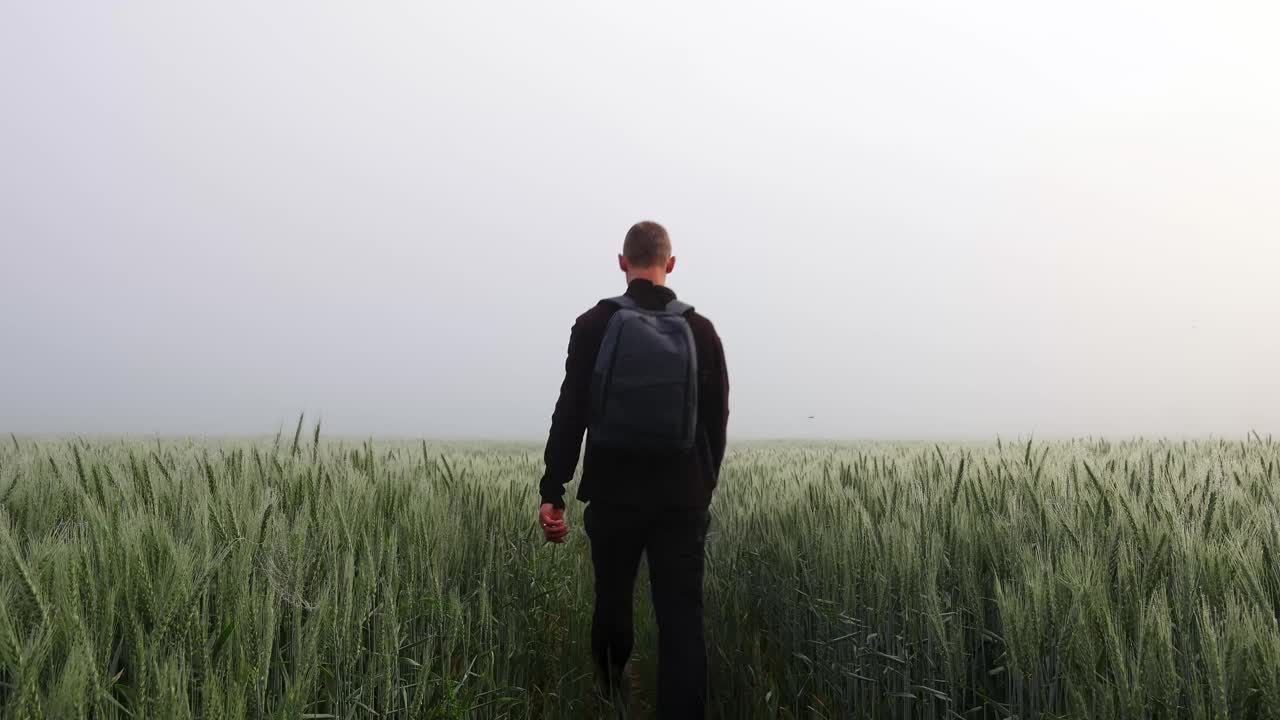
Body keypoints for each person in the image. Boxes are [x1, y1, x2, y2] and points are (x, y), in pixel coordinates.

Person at [538, 220, 729, 719]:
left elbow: (571, 410)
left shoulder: (593, 325)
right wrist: (700, 489)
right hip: (681, 500)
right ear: (670, 263)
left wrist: (553, 488)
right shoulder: (701, 331)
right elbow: (715, 421)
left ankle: (609, 697)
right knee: (682, 619)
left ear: (622, 263)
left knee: (613, 599)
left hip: (614, 494)